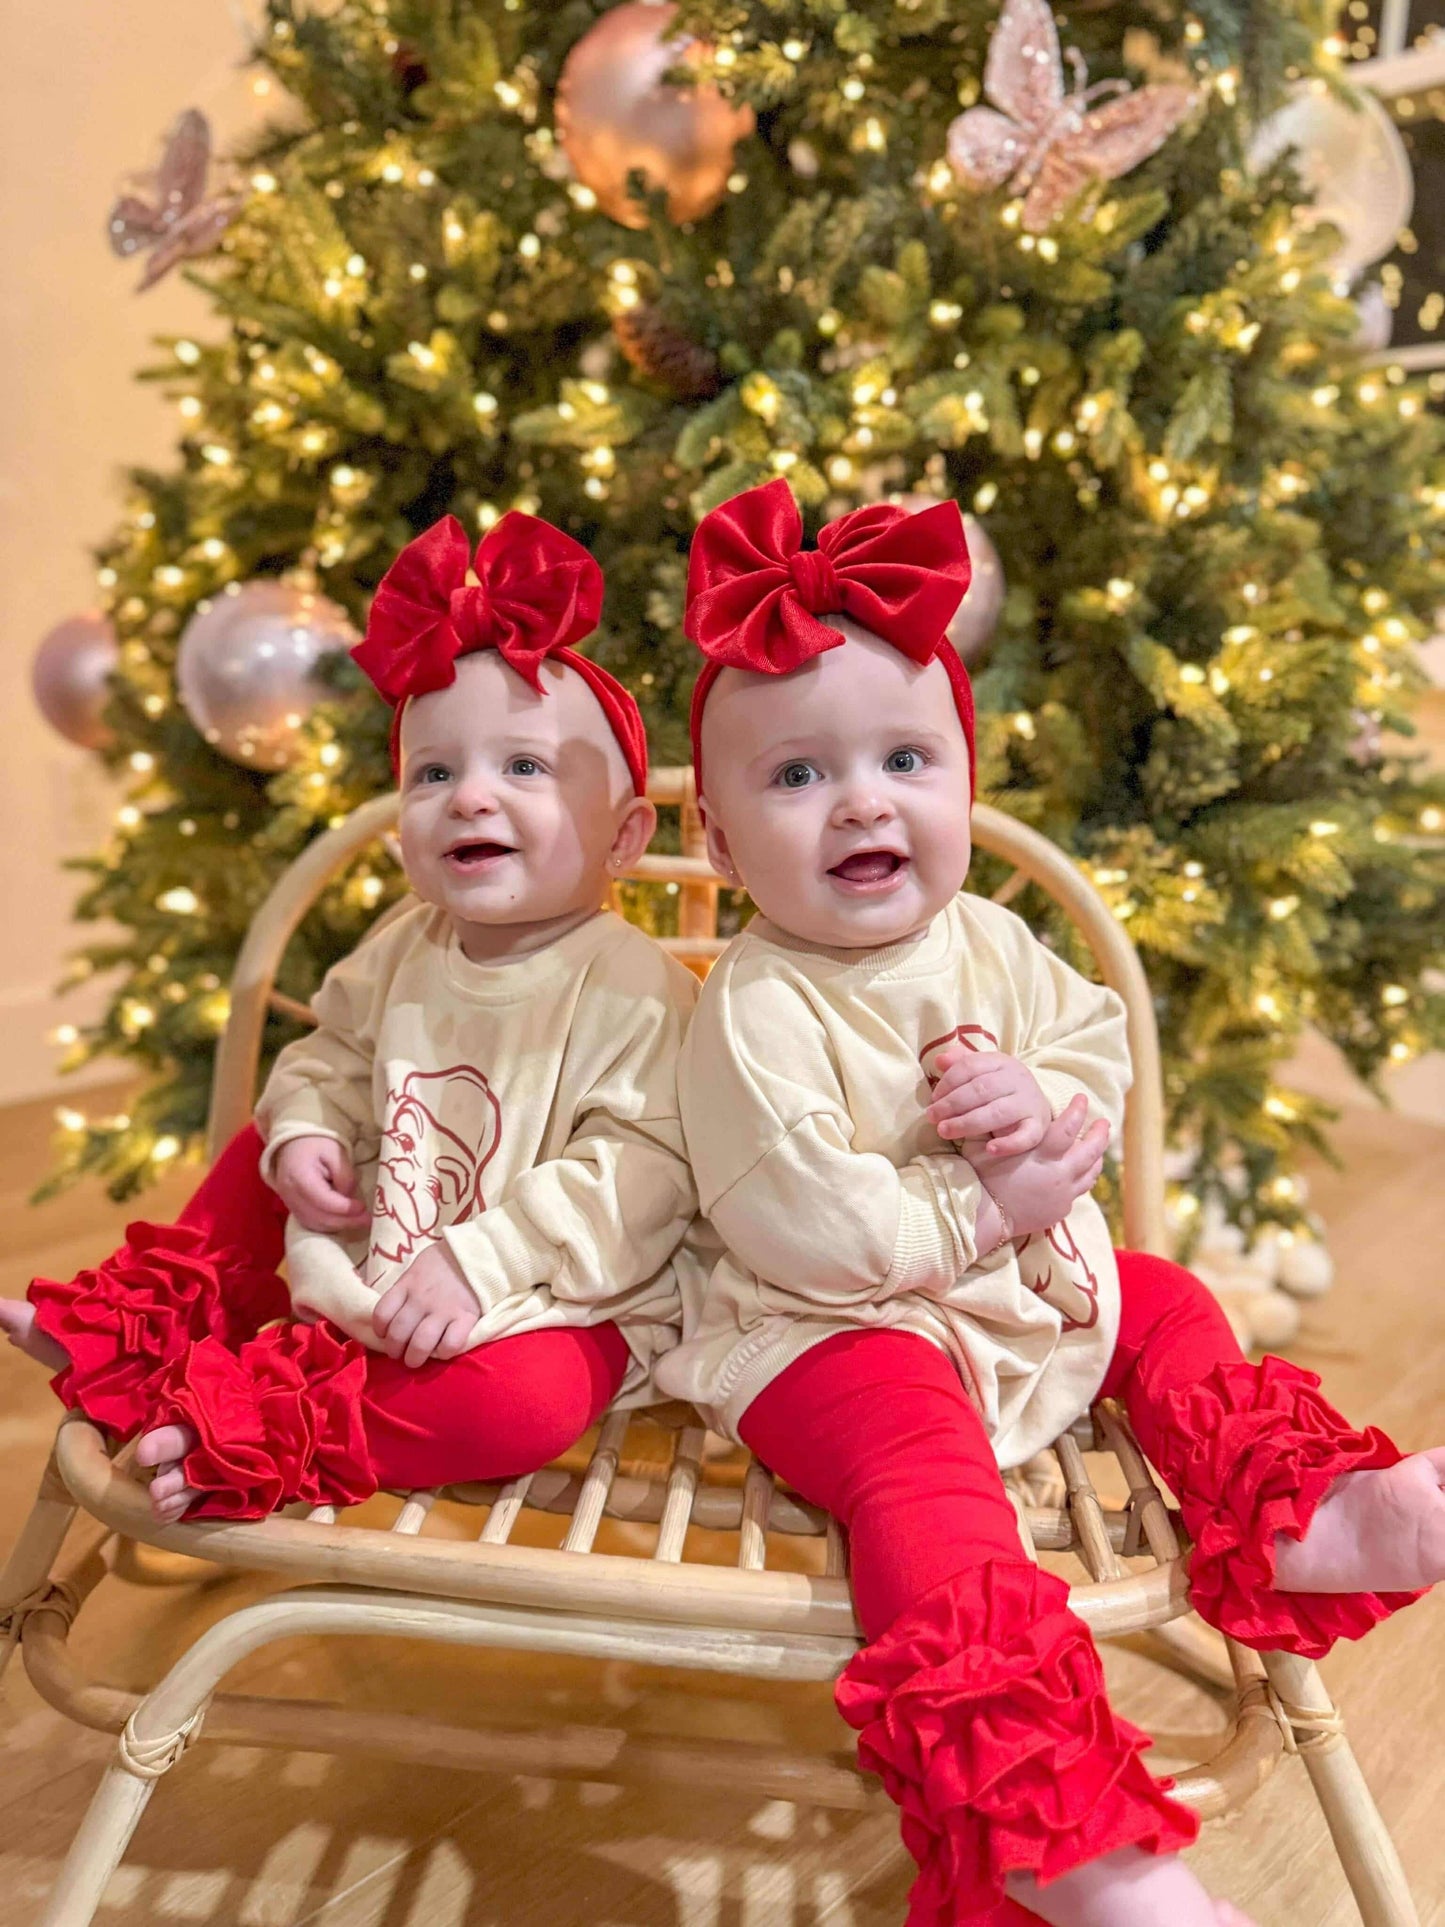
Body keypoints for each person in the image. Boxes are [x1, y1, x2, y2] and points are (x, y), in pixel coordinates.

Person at [655, 477, 1443, 1927]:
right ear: (715, 838)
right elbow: (803, 1228)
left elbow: (1092, 1051)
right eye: (797, 777)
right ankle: (1062, 1833)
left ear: (965, 780)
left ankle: (1292, 1512)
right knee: (919, 1472)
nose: (865, 802)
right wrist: (983, 1204)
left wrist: (1051, 1109)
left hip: (1022, 1279)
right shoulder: (756, 1006)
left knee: (1173, 1296)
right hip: (826, 1329)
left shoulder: (992, 936)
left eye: (906, 756)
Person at [4, 512, 706, 1523]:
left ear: (624, 835)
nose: (469, 798)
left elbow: (642, 1175)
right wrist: (306, 1131)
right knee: (258, 1149)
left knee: (524, 1405)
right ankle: (136, 1330)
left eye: (523, 769)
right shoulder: (404, 945)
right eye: (433, 773)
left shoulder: (636, 989)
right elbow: (329, 1052)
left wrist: (485, 1257)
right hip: (382, 1239)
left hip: (553, 1295)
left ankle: (266, 1427)